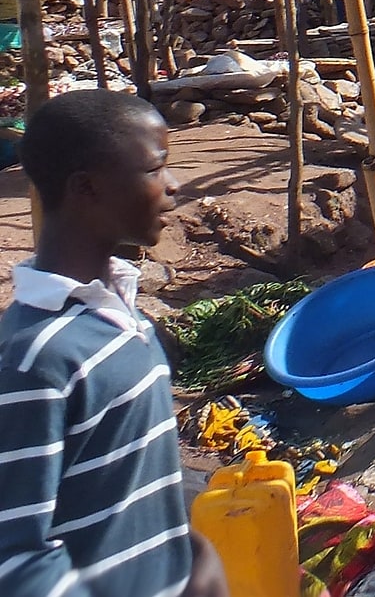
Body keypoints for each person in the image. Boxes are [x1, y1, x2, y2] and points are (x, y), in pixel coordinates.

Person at [0, 91, 229, 597]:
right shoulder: (36, 358)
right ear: (86, 188)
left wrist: (186, 553)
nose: (173, 186)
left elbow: (120, 484)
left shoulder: (119, 312)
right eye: (154, 169)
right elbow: (16, 561)